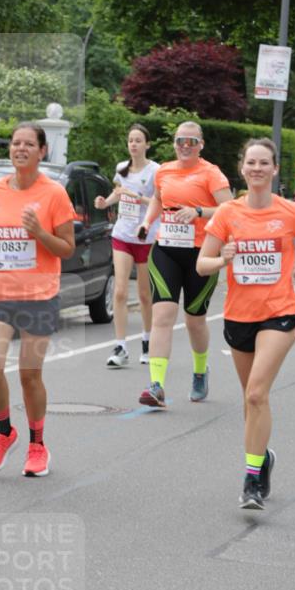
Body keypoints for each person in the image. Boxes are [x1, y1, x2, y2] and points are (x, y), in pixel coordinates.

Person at [197, 138, 295, 510]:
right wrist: (223, 259)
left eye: (263, 163)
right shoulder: (227, 214)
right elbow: (202, 263)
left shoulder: (293, 211)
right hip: (238, 317)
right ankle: (262, 457)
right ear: (242, 168)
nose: (257, 169)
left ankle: (252, 480)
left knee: (256, 393)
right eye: (251, 162)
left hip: (280, 313)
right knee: (251, 401)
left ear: (274, 169)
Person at [0, 124, 75, 477]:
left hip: (38, 296)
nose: (21, 148)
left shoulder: (54, 194)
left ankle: (37, 444)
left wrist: (39, 233)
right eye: (16, 143)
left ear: (42, 151)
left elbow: (66, 247)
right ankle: (5, 433)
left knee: (29, 375)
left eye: (29, 144)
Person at [136, 121, 233, 407]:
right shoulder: (163, 170)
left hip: (201, 254)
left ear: (201, 144)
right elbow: (156, 199)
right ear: (174, 143)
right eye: (181, 141)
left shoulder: (211, 173)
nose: (185, 146)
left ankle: (200, 371)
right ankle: (156, 385)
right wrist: (146, 222)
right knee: (163, 315)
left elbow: (229, 208)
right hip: (166, 249)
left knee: (194, 320)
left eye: (192, 141)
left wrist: (199, 212)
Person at [94, 124, 159, 368]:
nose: (133, 144)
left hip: (146, 236)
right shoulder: (122, 168)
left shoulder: (155, 171)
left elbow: (158, 201)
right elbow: (118, 194)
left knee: (144, 294)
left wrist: (137, 197)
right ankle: (120, 346)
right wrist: (104, 203)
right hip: (122, 235)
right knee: (120, 291)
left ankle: (147, 341)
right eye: (130, 140)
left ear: (147, 144)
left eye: (138, 140)